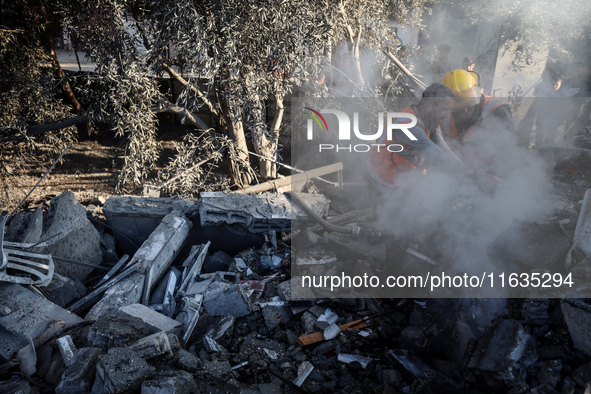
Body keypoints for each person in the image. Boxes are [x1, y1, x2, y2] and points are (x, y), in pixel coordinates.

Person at [369, 83, 463, 187]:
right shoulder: (409, 126)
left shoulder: (429, 120)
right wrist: (468, 174)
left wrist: (462, 167)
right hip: (385, 181)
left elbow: (442, 146)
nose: (447, 115)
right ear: (429, 106)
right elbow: (436, 155)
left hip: (404, 177)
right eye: (445, 109)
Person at [440, 69, 514, 147]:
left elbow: (510, 149)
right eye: (459, 108)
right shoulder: (444, 116)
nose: (465, 110)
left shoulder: (497, 111)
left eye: (468, 104)